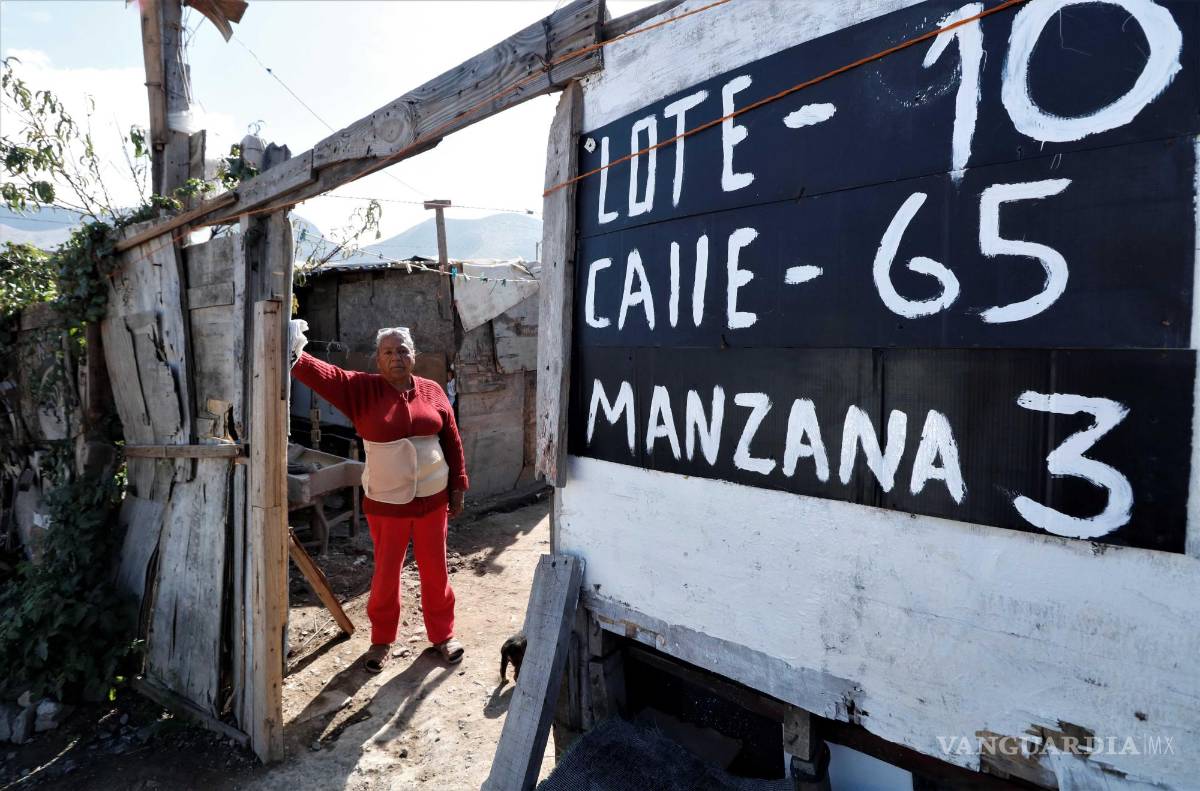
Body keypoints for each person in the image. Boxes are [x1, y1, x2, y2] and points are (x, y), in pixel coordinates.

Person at [289, 321, 467, 672]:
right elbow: (325, 375)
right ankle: (382, 641)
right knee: (386, 573)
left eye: (403, 350)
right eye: (388, 352)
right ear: (377, 359)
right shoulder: (361, 389)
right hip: (387, 504)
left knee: (436, 570)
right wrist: (294, 350)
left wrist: (458, 485)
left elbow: (452, 440)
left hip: (433, 500)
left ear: (413, 355)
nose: (396, 357)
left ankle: (443, 635)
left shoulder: (432, 390)